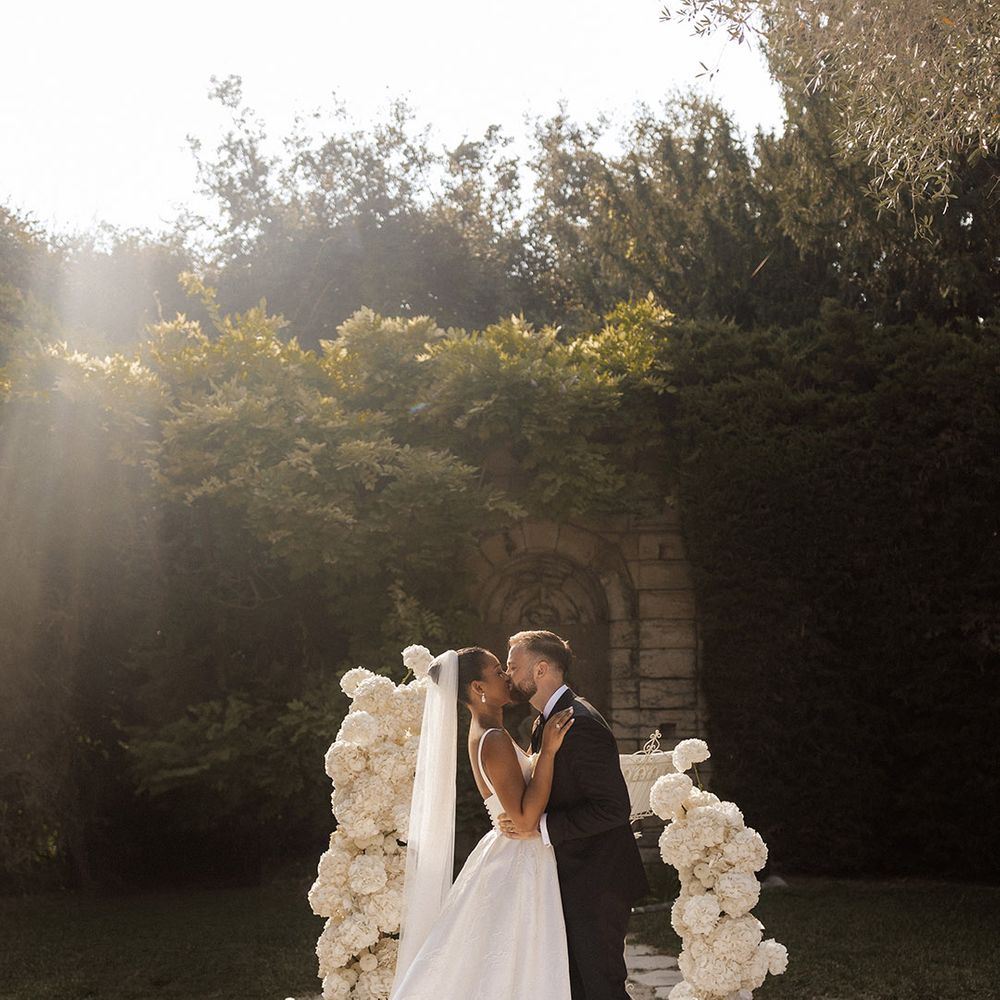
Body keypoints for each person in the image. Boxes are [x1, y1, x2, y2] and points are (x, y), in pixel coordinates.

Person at [390, 646, 576, 1000]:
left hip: (511, 854)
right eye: (497, 671)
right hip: (519, 858)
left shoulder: (488, 731)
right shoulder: (493, 738)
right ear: (479, 688)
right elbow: (523, 820)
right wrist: (548, 753)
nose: (506, 675)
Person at [501, 629, 649, 1000]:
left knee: (602, 988)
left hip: (598, 882)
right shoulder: (546, 722)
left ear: (541, 669)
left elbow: (614, 808)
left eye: (513, 666)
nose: (507, 675)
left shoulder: (578, 724)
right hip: (575, 879)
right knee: (578, 988)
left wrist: (540, 827)